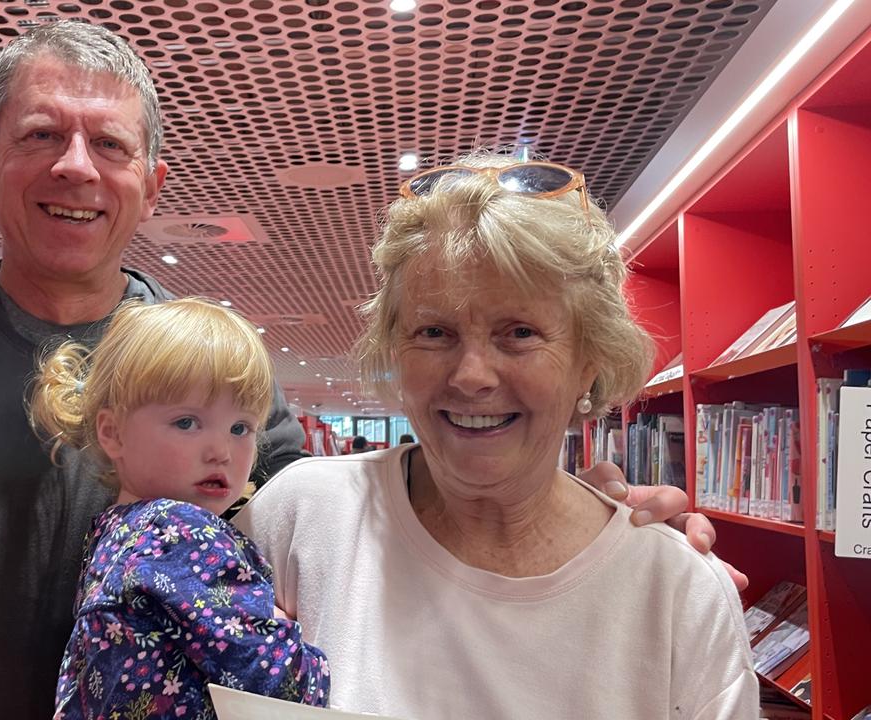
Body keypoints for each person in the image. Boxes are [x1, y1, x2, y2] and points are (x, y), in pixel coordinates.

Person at [0, 19, 728, 718]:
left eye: (109, 145)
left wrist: (585, 517)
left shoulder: (223, 375)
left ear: (150, 181)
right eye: (40, 136)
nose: (75, 167)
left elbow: (381, 518)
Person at [235, 153, 760, 718]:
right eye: (434, 331)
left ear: (589, 358)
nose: (471, 376)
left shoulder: (677, 592)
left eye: (519, 333)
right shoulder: (300, 519)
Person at [31, 298, 330, 718]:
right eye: (187, 422)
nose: (221, 451)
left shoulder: (114, 533)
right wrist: (296, 644)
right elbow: (278, 684)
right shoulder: (181, 533)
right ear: (112, 432)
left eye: (240, 427)